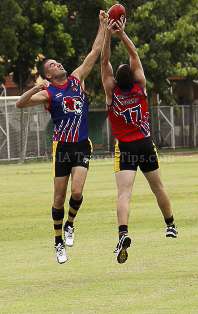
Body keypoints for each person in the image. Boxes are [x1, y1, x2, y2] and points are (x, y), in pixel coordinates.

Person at [16, 11, 108, 264]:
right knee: (58, 197)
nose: (59, 65)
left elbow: (95, 51)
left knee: (76, 192)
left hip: (81, 144)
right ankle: (58, 242)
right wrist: (36, 87)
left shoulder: (77, 80)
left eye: (58, 62)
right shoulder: (49, 92)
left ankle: (70, 225)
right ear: (48, 75)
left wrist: (102, 25)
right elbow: (19, 105)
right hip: (63, 148)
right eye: (53, 65)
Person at [101, 18, 178, 264]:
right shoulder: (141, 87)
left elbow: (104, 62)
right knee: (158, 188)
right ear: (134, 76)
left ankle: (123, 232)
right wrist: (122, 34)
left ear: (115, 80)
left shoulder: (111, 92)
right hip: (145, 142)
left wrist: (107, 35)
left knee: (124, 192)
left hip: (125, 146)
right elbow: (133, 53)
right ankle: (170, 225)